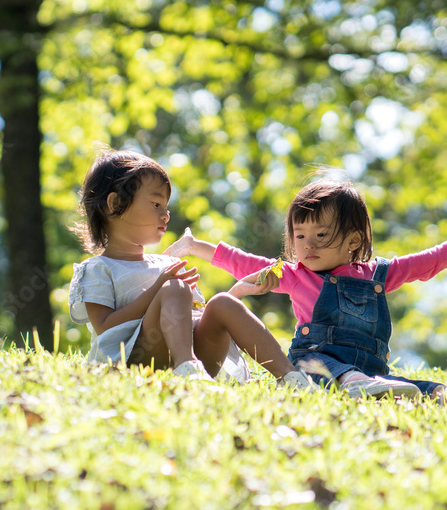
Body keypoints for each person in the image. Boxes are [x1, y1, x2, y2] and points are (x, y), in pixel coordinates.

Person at [166, 175, 447, 401]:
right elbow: (242, 262)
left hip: (369, 367)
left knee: (405, 385)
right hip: (314, 361)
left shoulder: (377, 274)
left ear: (353, 241)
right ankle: (354, 383)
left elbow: (425, 262)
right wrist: (195, 246)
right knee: (328, 366)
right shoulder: (295, 274)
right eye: (300, 235)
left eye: (321, 234)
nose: (308, 245)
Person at [67, 149, 314, 388]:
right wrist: (159, 288)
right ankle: (186, 366)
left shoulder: (167, 264)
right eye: (156, 204)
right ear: (115, 204)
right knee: (174, 287)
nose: (166, 215)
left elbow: (197, 316)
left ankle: (291, 377)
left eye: (166, 207)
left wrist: (238, 291)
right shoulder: (98, 269)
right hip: (135, 360)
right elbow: (105, 326)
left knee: (222, 302)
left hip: (201, 353)